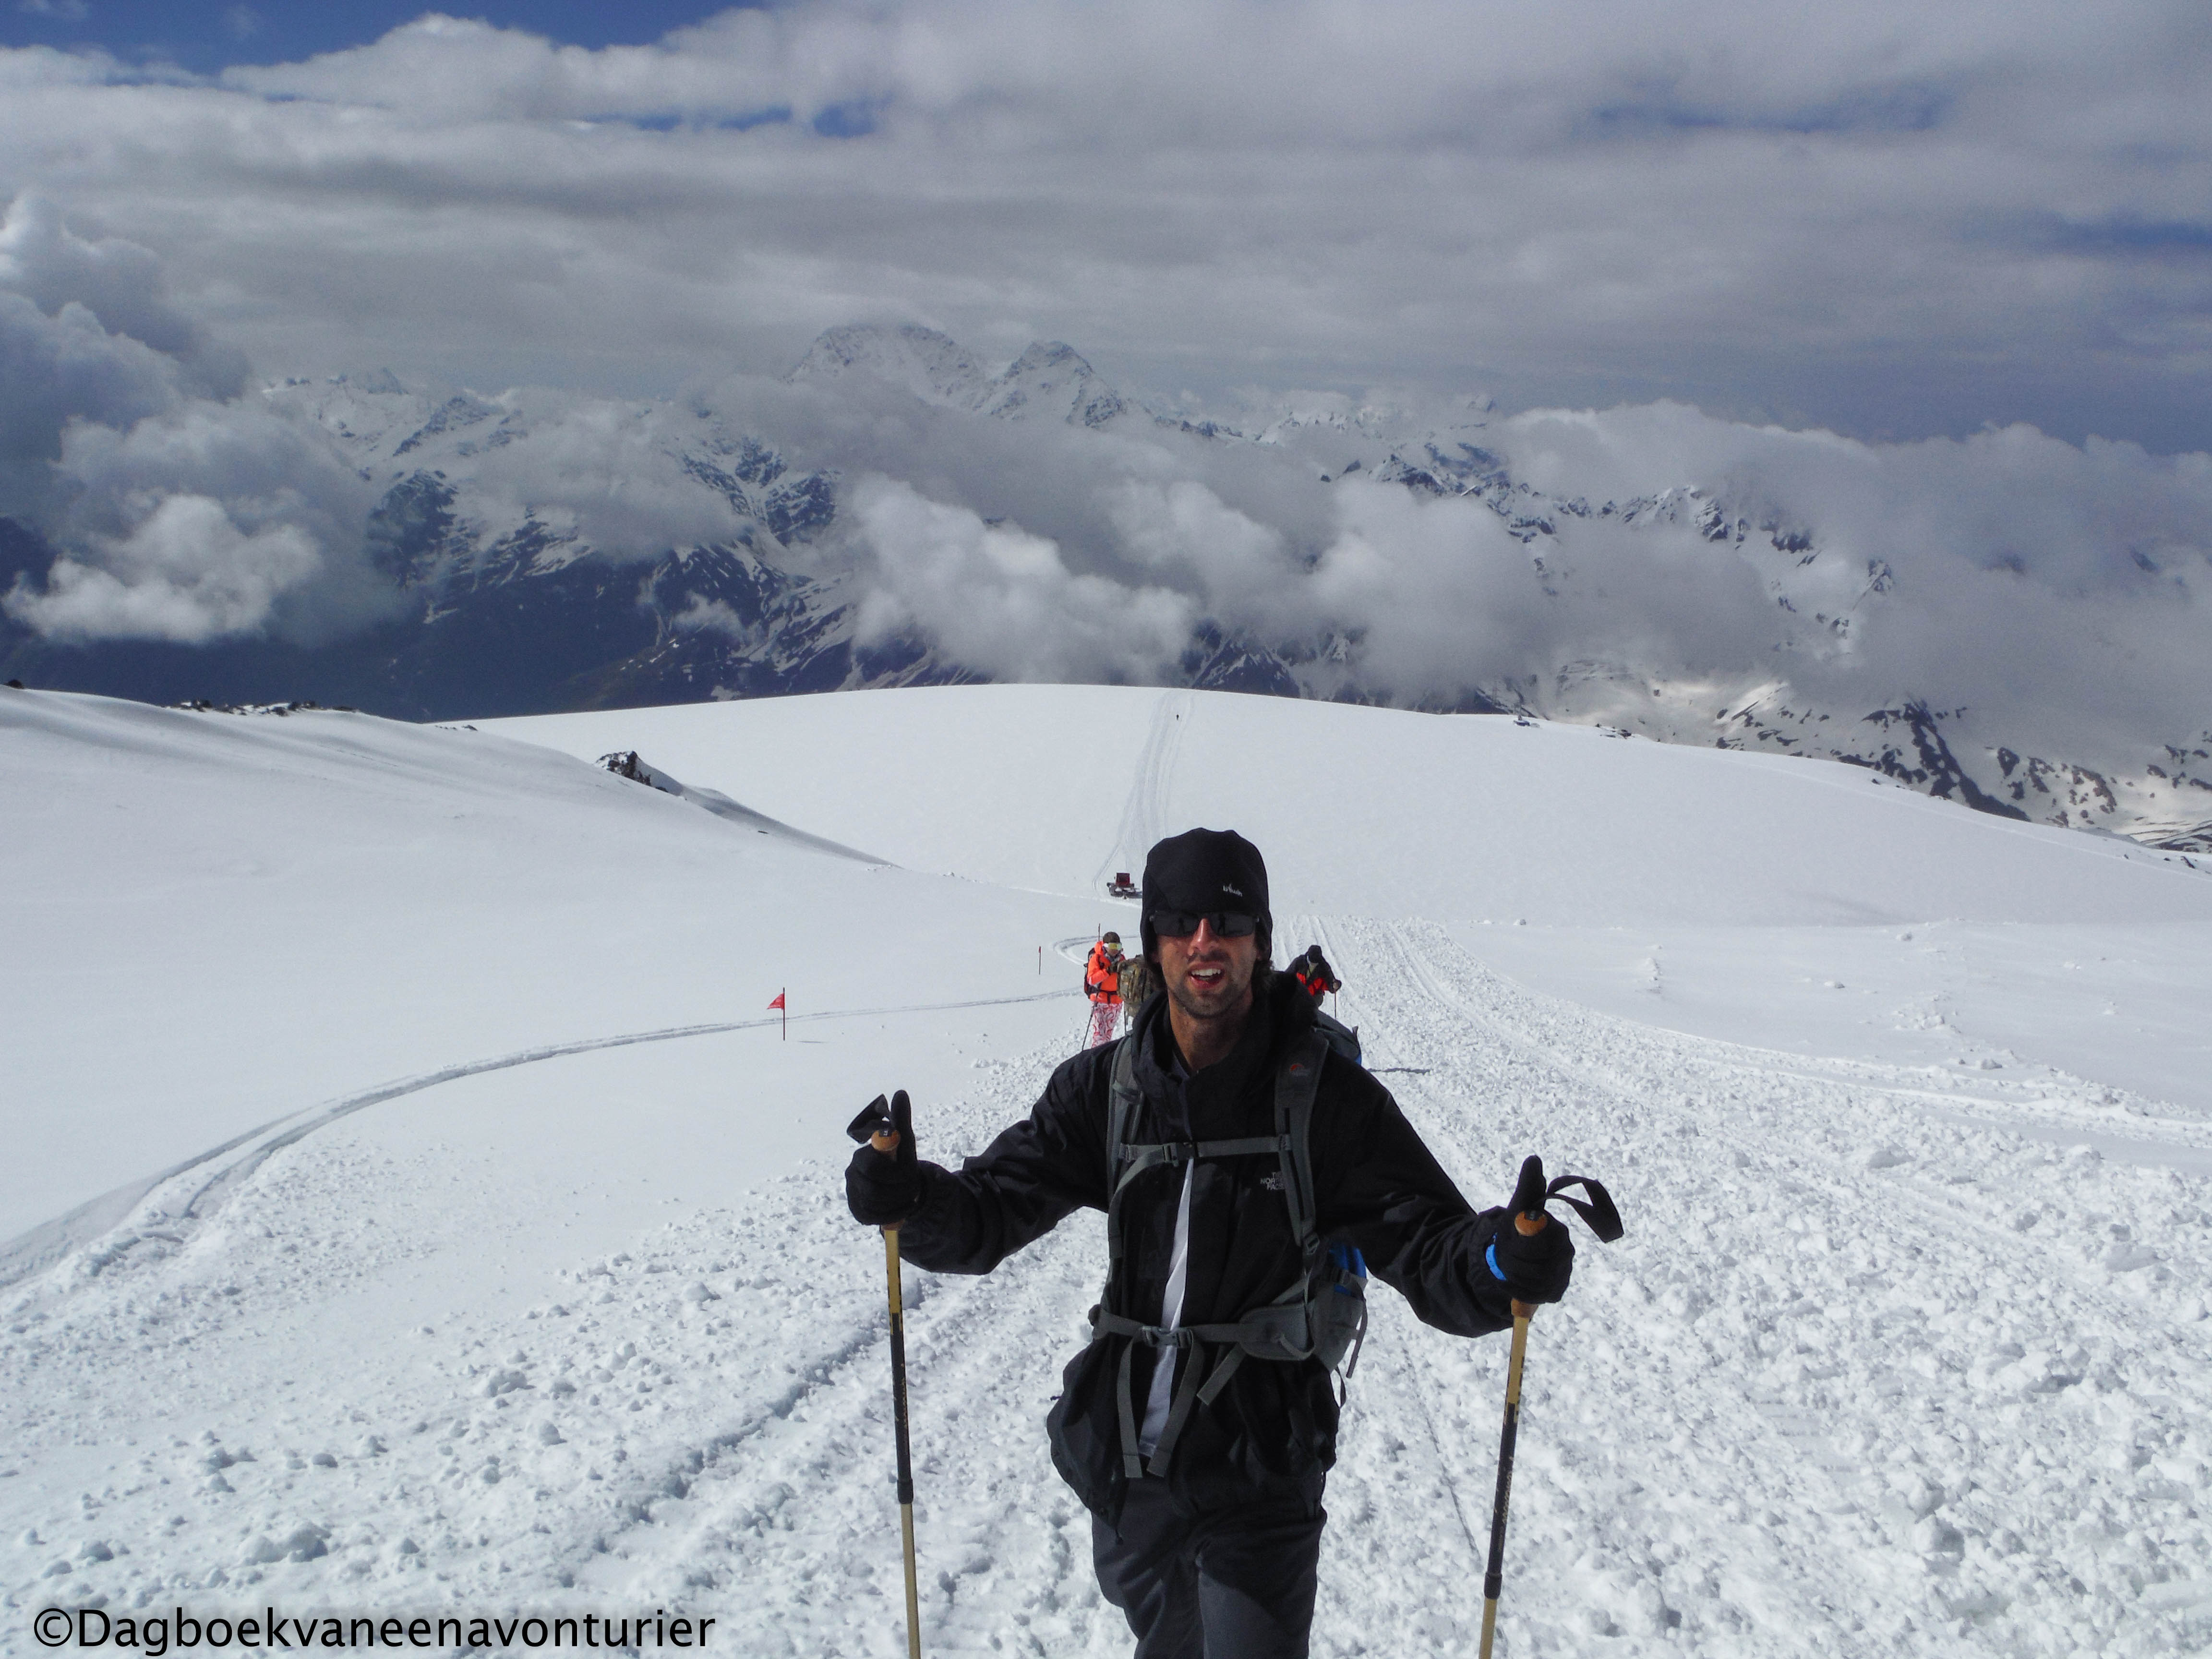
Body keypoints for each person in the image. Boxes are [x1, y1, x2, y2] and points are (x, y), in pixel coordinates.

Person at [845, 829, 1575, 1659]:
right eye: (1180, 922)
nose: (1204, 941)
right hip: (1129, 1468)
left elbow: (1426, 1244)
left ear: (1260, 941)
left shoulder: (1326, 1100)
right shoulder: (1103, 1090)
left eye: (1228, 923)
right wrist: (910, 1200)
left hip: (1261, 1468)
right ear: (1153, 941)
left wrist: (1498, 1261)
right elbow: (989, 1212)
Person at [1084, 931, 1126, 1049]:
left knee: (1107, 1037)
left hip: (1116, 1002)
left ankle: (1103, 1057)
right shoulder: (1097, 958)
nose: (1115, 950)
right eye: (1113, 946)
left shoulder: (1122, 960)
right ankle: (1095, 1058)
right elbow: (1091, 980)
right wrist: (1107, 971)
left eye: (1118, 946)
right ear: (1106, 946)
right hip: (1099, 1001)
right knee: (1099, 1036)